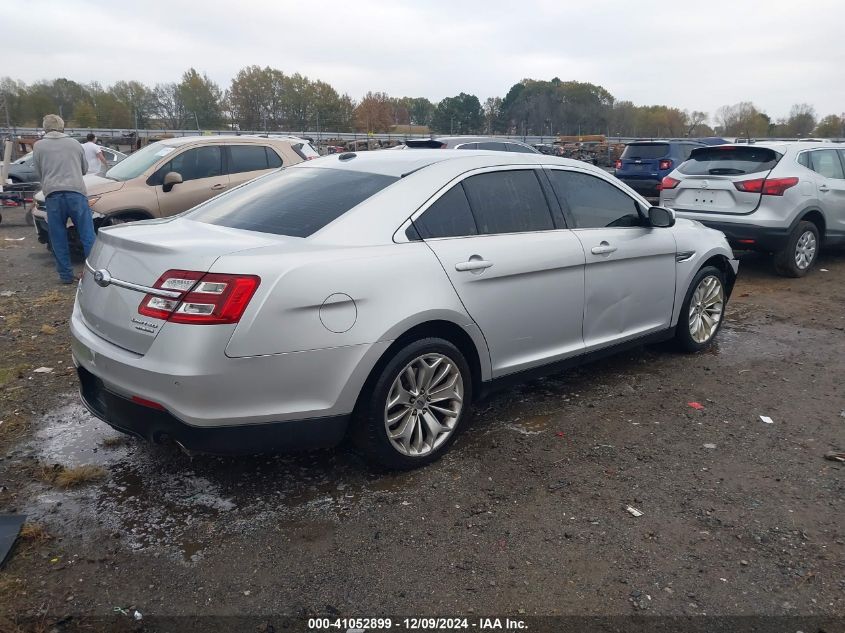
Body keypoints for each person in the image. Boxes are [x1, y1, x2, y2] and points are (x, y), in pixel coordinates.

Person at [32, 114, 96, 284]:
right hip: (76, 193)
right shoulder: (74, 144)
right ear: (62, 127)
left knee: (58, 237)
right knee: (87, 235)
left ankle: (66, 276)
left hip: (53, 195)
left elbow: (39, 172)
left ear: (45, 127)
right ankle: (92, 275)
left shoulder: (38, 146)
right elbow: (84, 169)